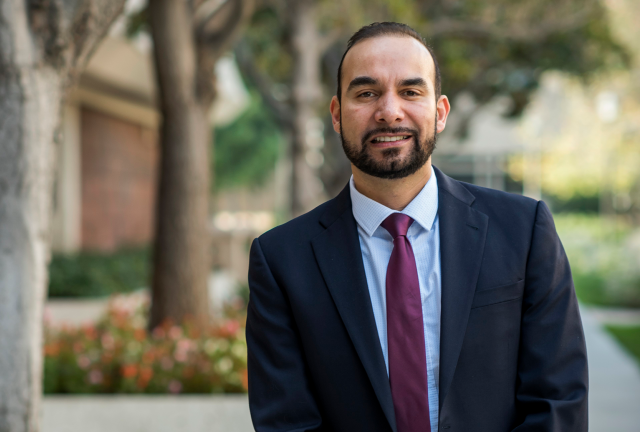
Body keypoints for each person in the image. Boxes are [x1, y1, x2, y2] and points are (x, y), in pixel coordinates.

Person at [245, 22, 587, 432]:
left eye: (410, 92)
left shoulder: (525, 231)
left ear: (440, 113)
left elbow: (558, 401)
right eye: (366, 93)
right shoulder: (282, 260)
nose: (389, 111)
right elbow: (286, 423)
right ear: (336, 115)